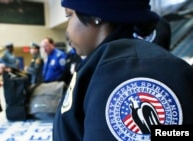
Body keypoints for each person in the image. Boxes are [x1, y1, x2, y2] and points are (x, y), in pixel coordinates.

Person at [53, 0, 193, 141]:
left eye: (69, 16)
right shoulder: (101, 64)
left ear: (95, 16)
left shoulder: (126, 70)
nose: (67, 30)